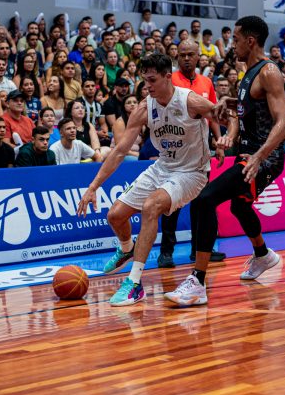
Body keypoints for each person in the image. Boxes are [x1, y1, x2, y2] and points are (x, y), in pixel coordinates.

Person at [76, 53, 220, 307]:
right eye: (145, 80)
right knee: (115, 216)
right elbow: (119, 151)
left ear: (167, 77)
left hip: (192, 171)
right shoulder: (144, 108)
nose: (147, 86)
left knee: (151, 206)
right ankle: (127, 248)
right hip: (163, 167)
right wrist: (93, 187)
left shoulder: (190, 100)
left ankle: (134, 284)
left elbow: (223, 115)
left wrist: (224, 138)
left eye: (153, 80)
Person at [164, 16, 285, 306]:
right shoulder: (249, 72)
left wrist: (260, 156)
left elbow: (283, 121)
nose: (232, 45)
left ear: (251, 41)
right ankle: (262, 255)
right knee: (239, 206)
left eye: (236, 39)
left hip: (263, 158)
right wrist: (229, 103)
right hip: (248, 154)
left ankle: (197, 281)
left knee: (204, 199)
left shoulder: (269, 71)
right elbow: (252, 106)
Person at [159, 39, 225, 267]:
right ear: (176, 57)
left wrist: (219, 141)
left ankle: (200, 251)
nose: (186, 58)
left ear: (198, 57)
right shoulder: (169, 81)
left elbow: (213, 115)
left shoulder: (206, 82)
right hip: (175, 152)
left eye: (190, 54)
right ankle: (166, 252)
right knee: (172, 204)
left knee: (202, 203)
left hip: (200, 152)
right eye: (182, 54)